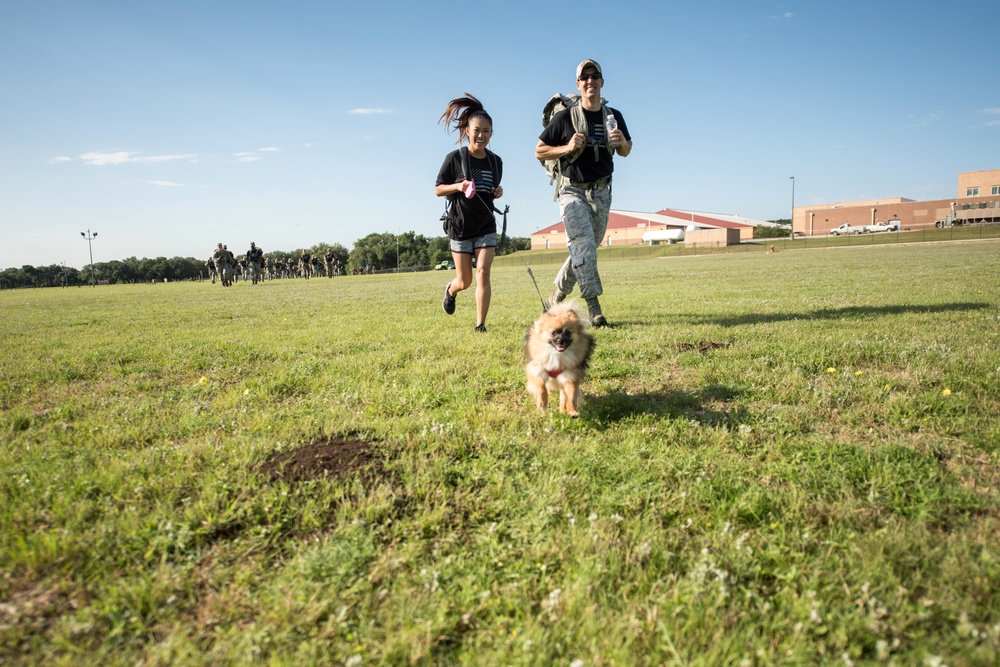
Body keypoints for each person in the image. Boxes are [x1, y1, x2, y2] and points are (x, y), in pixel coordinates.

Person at [535, 59, 631, 327]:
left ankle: (557, 295)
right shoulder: (565, 118)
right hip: (572, 191)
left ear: (602, 82)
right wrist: (566, 148)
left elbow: (627, 150)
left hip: (602, 192)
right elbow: (539, 150)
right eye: (584, 77)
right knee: (584, 246)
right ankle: (594, 307)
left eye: (595, 76)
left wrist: (621, 142)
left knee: (585, 248)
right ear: (578, 84)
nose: (590, 81)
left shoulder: (614, 116)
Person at [435, 94, 504, 333]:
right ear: (467, 131)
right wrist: (459, 186)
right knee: (465, 281)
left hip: (486, 226)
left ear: (491, 133)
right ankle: (451, 290)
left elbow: (491, 190)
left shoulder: (496, 162)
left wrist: (497, 191)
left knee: (483, 272)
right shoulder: (455, 158)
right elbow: (438, 189)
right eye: (477, 130)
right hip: (460, 227)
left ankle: (480, 324)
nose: (481, 135)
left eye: (487, 131)